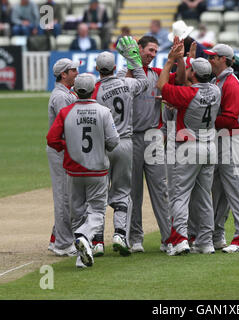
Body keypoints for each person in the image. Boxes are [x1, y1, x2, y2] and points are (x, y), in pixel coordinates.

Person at [46, 73, 120, 268]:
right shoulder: (103, 111)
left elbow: (52, 139)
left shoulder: (66, 112)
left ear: (76, 90)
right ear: (93, 89)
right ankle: (83, 236)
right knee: (96, 211)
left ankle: (82, 258)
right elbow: (113, 141)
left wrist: (69, 146)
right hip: (97, 170)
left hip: (73, 171)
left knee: (77, 212)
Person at [157, 40, 221, 256]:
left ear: (194, 74)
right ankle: (206, 241)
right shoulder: (215, 90)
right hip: (209, 146)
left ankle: (180, 239)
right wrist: (183, 59)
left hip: (188, 147)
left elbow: (162, 87)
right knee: (203, 196)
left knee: (179, 195)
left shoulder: (188, 95)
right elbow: (186, 82)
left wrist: (169, 62)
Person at [89, 45, 148, 257]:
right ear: (115, 67)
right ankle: (120, 235)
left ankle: (97, 241)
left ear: (97, 69)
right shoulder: (127, 83)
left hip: (102, 147)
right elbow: (143, 81)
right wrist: (134, 60)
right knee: (123, 192)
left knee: (98, 195)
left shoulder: (95, 90)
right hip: (125, 143)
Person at [127, 36, 175, 253]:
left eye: (155, 51)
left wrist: (179, 58)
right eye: (149, 50)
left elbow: (182, 81)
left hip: (154, 138)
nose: (152, 54)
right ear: (138, 49)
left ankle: (168, 238)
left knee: (161, 190)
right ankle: (135, 237)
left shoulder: (157, 75)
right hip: (131, 138)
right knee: (133, 191)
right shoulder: (123, 77)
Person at [204, 44, 239, 253]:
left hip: (231, 139)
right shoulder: (218, 81)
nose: (210, 60)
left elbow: (231, 119)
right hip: (221, 138)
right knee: (219, 189)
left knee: (234, 189)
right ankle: (217, 235)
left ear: (224, 59)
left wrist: (204, 120)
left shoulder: (231, 84)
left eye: (213, 57)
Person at [47, 58, 79, 256]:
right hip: (61, 149)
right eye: (73, 70)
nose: (76, 72)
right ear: (63, 74)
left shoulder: (67, 93)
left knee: (68, 195)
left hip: (65, 148)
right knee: (63, 196)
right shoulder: (60, 96)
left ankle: (55, 238)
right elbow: (67, 125)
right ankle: (63, 244)